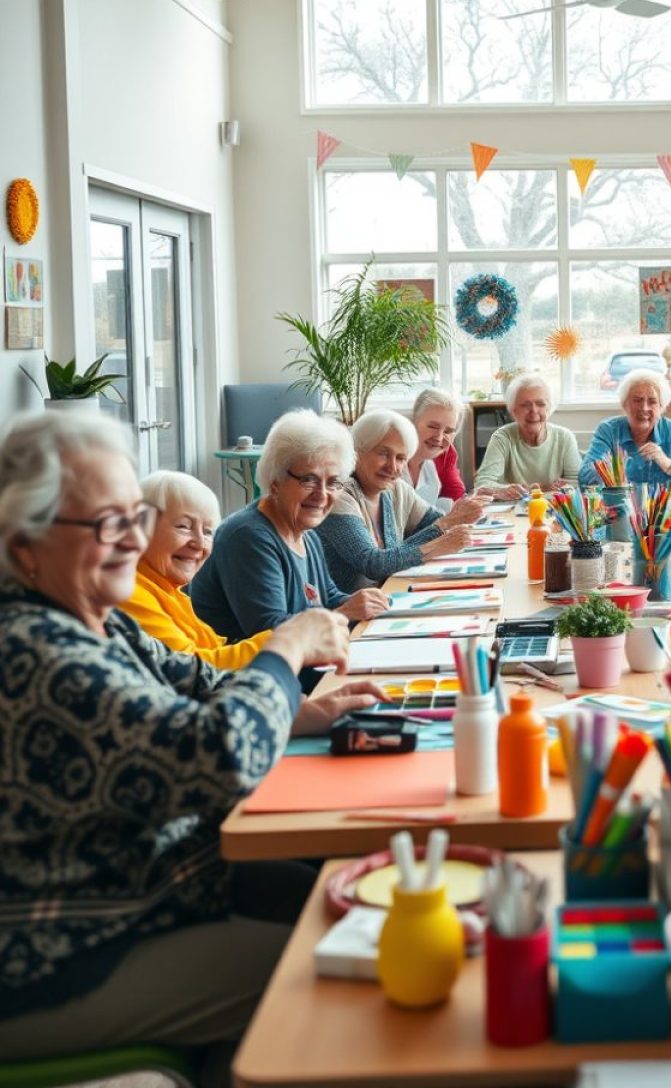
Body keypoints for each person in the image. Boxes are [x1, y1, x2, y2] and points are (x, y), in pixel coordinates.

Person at [0, 411, 350, 1084]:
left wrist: (301, 712)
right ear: (24, 547)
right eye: (108, 524)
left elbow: (201, 681)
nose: (134, 542)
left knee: (327, 895)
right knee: (323, 970)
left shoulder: (97, 623)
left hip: (157, 885)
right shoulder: (33, 651)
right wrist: (286, 648)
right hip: (59, 952)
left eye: (136, 517)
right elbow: (218, 758)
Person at [126, 469, 387, 733]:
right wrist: (292, 640)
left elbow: (217, 650)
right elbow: (196, 672)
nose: (198, 543)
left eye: (206, 531)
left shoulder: (169, 590)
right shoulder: (132, 594)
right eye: (183, 526)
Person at [190, 410, 388, 689]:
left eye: (333, 482)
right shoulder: (249, 537)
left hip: (300, 673)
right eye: (309, 479)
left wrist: (363, 602)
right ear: (275, 481)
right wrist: (345, 612)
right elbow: (270, 631)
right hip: (251, 686)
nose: (322, 494)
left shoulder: (304, 531)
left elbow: (326, 596)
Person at [318, 409, 484, 592]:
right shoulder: (338, 494)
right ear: (357, 451)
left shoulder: (396, 488)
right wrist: (442, 533)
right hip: (349, 615)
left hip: (390, 598)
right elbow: (373, 564)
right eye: (383, 454)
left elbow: (436, 524)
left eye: (401, 458)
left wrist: (457, 518)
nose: (392, 467)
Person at [578, 368, 671, 488]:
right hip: (619, 507)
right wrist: (610, 467)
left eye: (652, 401)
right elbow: (584, 478)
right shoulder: (608, 430)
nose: (644, 408)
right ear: (625, 404)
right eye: (637, 400)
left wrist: (665, 462)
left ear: (661, 407)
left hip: (663, 508)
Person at [474, 372, 582, 500]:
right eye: (525, 405)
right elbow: (482, 484)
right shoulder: (502, 437)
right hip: (511, 511)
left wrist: (543, 491)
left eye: (540, 404)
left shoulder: (564, 437)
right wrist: (507, 490)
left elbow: (577, 483)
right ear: (513, 411)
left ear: (549, 408)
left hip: (554, 509)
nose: (534, 411)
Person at [404, 388, 467, 510]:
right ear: (413, 422)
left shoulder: (428, 466)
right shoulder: (393, 461)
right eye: (432, 427)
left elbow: (455, 493)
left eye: (448, 431)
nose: (439, 438)